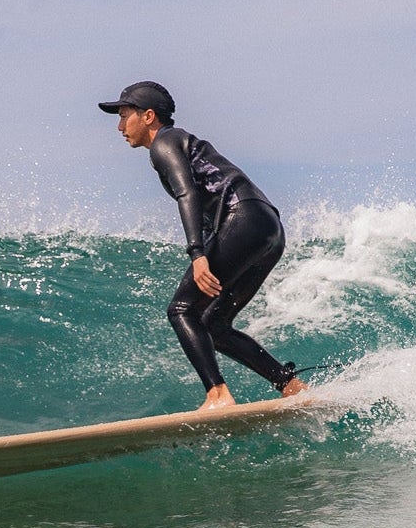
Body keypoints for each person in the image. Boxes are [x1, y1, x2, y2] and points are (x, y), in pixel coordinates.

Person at [100, 80, 309, 410]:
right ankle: (291, 386)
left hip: (243, 218)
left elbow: (188, 194)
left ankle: (217, 394)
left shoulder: (164, 143)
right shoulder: (182, 141)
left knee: (181, 310)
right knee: (214, 324)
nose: (119, 126)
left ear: (148, 116)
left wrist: (197, 254)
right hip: (267, 226)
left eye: (125, 116)